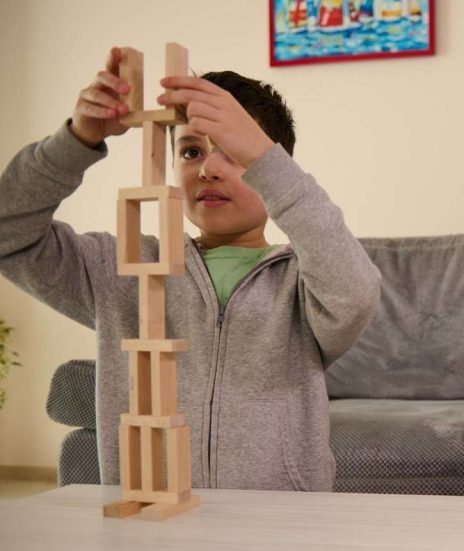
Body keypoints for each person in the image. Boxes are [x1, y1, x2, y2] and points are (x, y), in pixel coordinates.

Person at [0, 47, 381, 492]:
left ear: (272, 169)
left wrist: (268, 161)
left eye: (236, 155)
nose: (209, 170)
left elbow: (355, 294)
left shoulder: (302, 283)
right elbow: (11, 234)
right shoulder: (123, 269)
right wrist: (75, 143)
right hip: (151, 524)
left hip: (281, 527)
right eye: (192, 151)